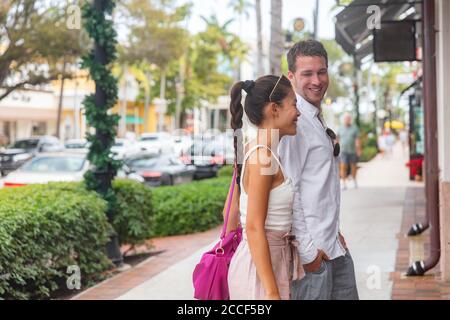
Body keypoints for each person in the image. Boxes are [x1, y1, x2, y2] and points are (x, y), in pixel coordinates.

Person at [278, 39, 359, 300]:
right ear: (291, 77)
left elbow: (318, 187)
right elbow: (291, 191)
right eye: (307, 74)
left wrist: (334, 232)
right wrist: (308, 252)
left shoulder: (314, 116)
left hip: (333, 248)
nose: (317, 80)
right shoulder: (295, 124)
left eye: (321, 71)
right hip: (313, 260)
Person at [226, 75, 304, 300]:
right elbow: (253, 227)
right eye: (294, 105)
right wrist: (271, 292)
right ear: (274, 109)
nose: (298, 113)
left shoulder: (256, 150)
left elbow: (229, 213)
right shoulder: (262, 158)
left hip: (265, 265)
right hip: (260, 275)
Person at [338, 113, 361, 190]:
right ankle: (343, 182)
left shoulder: (355, 128)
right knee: (343, 166)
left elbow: (357, 140)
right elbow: (337, 139)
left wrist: (358, 150)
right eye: (346, 119)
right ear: (343, 120)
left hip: (352, 150)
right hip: (343, 150)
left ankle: (354, 181)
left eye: (348, 119)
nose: (347, 120)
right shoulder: (340, 128)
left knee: (353, 166)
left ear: (350, 120)